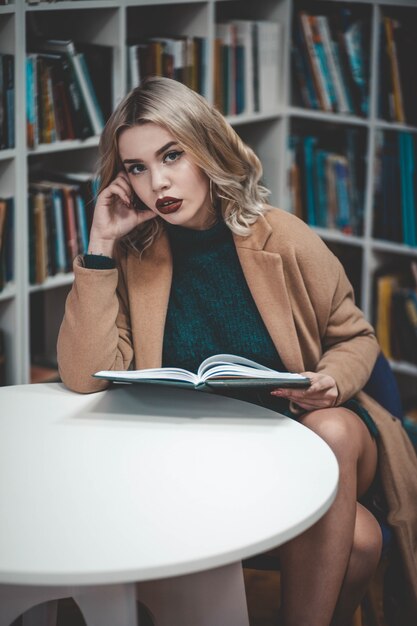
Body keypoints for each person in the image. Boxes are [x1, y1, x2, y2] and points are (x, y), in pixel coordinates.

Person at [57, 76, 417, 626]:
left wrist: (332, 381)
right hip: (206, 456)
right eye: (136, 167)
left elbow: (356, 337)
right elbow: (84, 376)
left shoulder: (282, 237)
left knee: (337, 429)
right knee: (362, 544)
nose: (158, 181)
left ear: (205, 150)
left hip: (306, 440)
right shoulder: (136, 254)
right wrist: (101, 246)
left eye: (172, 155)